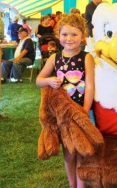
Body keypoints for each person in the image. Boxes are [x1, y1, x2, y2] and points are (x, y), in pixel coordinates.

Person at [36, 13, 94, 188]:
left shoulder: (87, 57)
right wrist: (48, 81)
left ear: (82, 37)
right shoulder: (55, 58)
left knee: (82, 151)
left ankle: (81, 185)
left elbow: (90, 86)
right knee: (69, 153)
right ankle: (72, 184)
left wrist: (85, 109)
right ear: (58, 35)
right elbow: (39, 79)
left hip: (83, 112)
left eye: (74, 35)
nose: (69, 39)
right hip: (63, 115)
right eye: (65, 34)